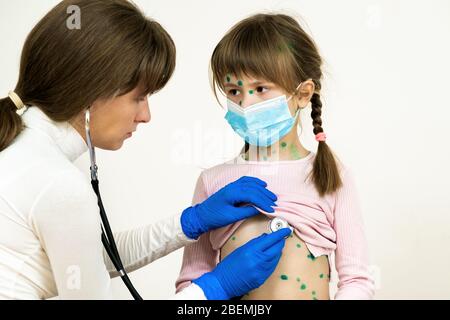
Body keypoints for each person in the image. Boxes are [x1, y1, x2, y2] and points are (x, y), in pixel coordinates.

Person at [0, 0, 290, 300]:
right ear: (91, 90)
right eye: (139, 97)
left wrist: (191, 222)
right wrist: (214, 288)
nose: (145, 115)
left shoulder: (23, 150)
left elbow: (92, 257)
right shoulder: (57, 183)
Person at [176, 13, 375, 300]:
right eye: (234, 91)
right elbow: (190, 284)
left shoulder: (330, 176)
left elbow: (356, 280)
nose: (246, 103)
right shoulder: (212, 181)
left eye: (260, 89)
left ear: (304, 94)